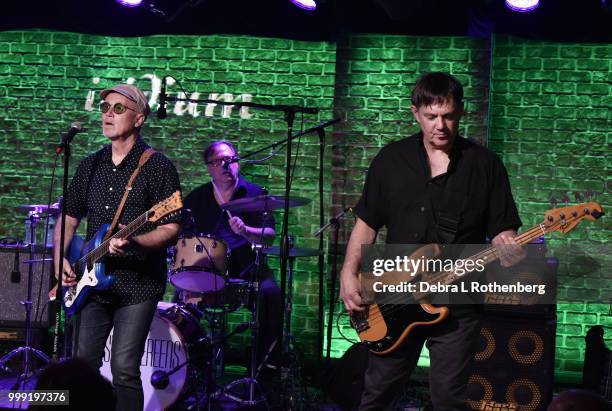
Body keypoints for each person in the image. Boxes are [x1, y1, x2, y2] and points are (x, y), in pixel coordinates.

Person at [339, 72, 523, 410]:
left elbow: (502, 229)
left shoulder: (485, 165)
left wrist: (509, 245)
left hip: (458, 303)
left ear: (461, 113)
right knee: (377, 394)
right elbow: (366, 224)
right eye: (431, 116)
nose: (441, 125)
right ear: (415, 113)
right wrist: (348, 273)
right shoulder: (391, 160)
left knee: (449, 400)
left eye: (449, 116)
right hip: (394, 298)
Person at [53, 84, 181, 411]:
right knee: (82, 366)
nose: (108, 114)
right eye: (105, 107)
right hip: (92, 282)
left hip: (138, 284)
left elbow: (170, 225)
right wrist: (60, 262)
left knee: (124, 370)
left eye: (118, 109)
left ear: (139, 118)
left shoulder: (157, 166)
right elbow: (68, 218)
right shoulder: (90, 165)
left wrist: (136, 238)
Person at [181, 140, 280, 364]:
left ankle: (264, 368)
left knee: (271, 295)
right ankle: (192, 366)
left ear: (237, 161)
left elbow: (269, 235)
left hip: (247, 268)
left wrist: (246, 231)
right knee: (182, 299)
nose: (225, 165)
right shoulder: (197, 198)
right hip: (207, 269)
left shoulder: (255, 194)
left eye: (230, 160)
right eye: (217, 161)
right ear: (209, 167)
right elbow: (183, 237)